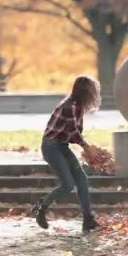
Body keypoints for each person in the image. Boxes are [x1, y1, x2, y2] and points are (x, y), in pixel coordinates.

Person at [33, 75, 102, 233]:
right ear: (84, 92)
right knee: (68, 185)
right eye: (92, 91)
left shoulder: (78, 106)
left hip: (62, 146)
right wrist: (86, 147)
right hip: (51, 147)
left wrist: (88, 149)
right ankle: (41, 208)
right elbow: (73, 131)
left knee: (82, 180)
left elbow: (73, 134)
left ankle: (88, 219)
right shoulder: (71, 106)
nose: (94, 95)